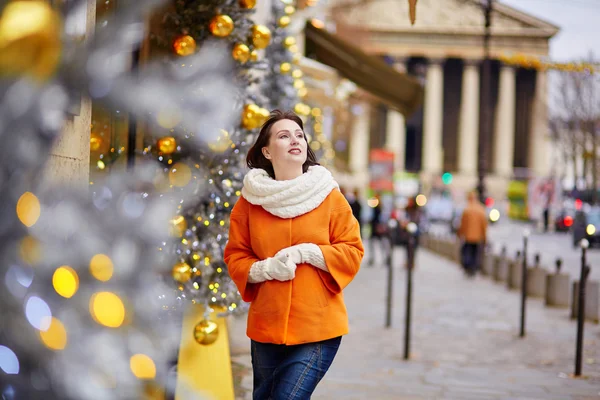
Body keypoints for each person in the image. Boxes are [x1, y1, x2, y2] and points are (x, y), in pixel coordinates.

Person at [224, 110, 364, 399]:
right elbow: (236, 256)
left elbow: (352, 251)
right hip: (266, 327)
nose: (294, 140)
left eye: (299, 135)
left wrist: (310, 253)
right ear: (267, 150)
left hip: (318, 329)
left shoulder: (329, 196)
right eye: (284, 136)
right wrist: (266, 269)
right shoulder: (249, 203)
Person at [456, 191, 488, 277]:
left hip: (467, 236)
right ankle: (473, 268)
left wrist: (460, 234)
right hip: (477, 237)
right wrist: (485, 238)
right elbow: (484, 226)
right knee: (474, 252)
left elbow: (462, 224)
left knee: (466, 251)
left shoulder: (467, 209)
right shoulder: (481, 209)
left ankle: (467, 267)